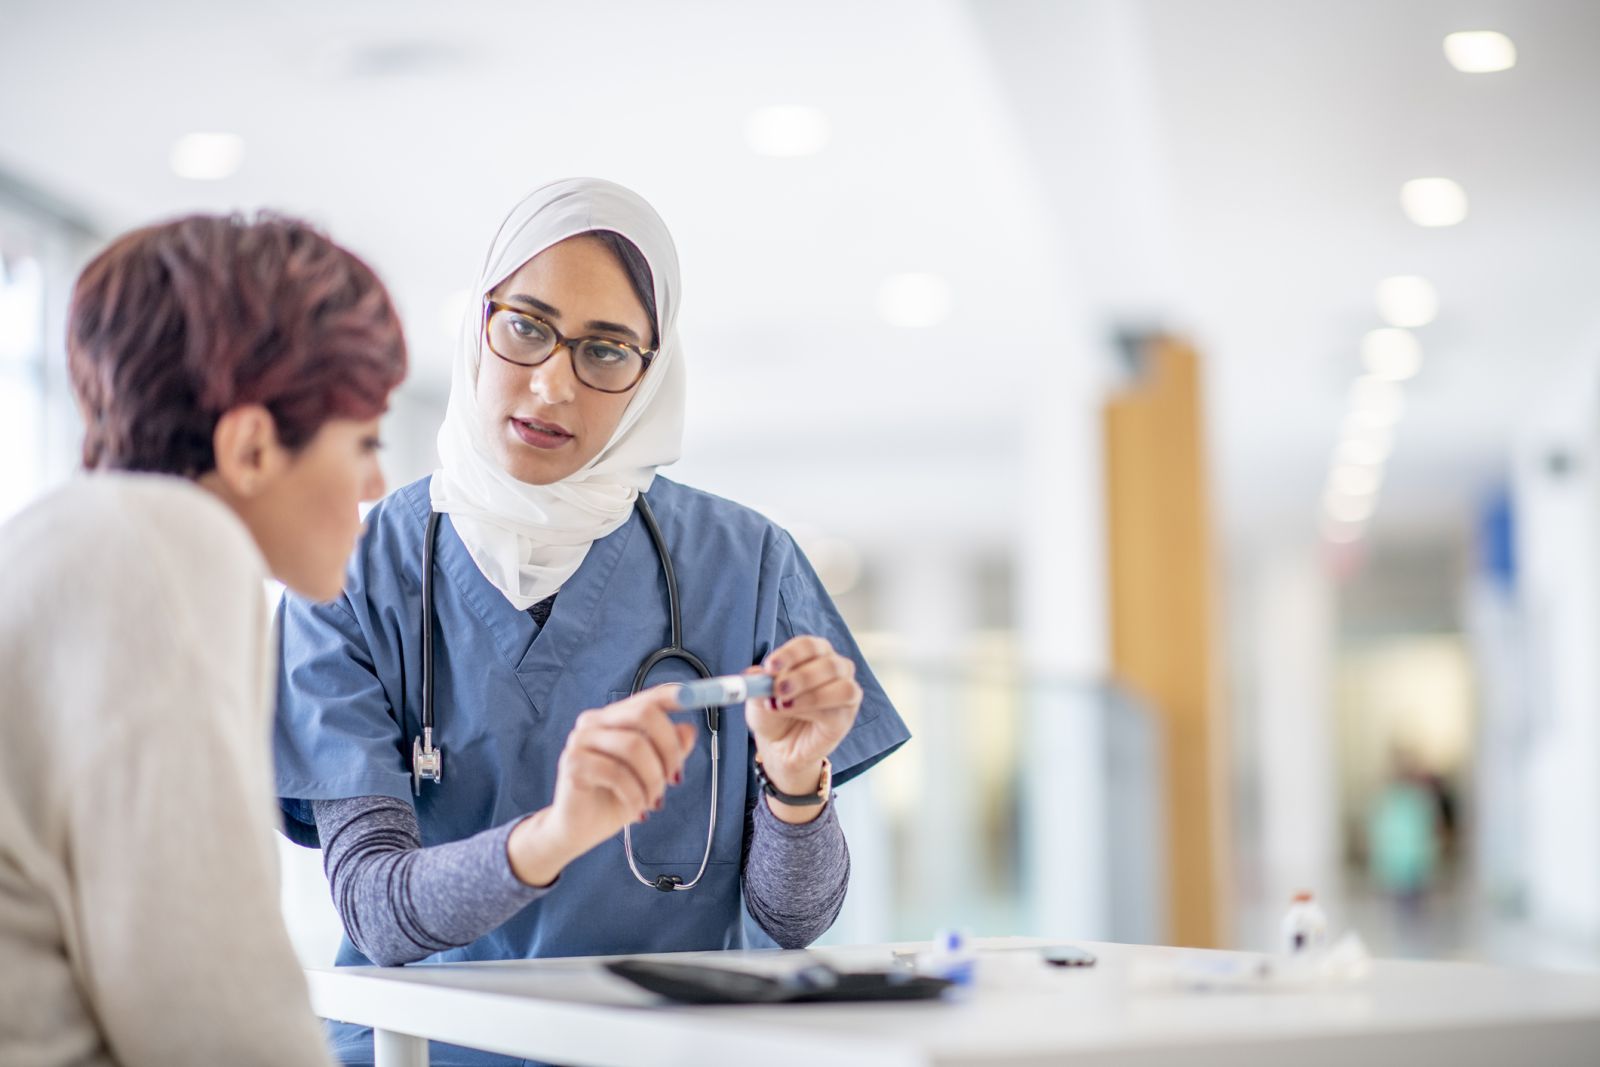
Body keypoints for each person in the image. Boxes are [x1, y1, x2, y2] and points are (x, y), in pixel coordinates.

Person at [273, 178, 911, 1065]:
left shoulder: (748, 563)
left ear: (652, 374)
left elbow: (793, 917)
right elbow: (377, 908)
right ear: (479, 322)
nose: (550, 384)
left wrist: (798, 786)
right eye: (526, 325)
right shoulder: (347, 566)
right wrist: (559, 830)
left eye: (605, 351)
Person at [0, 213, 407, 1066]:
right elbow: (212, 1021)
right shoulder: (168, 548)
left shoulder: (60, 538)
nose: (377, 483)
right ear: (252, 445)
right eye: (364, 441)